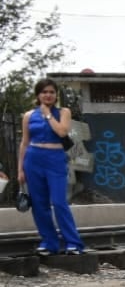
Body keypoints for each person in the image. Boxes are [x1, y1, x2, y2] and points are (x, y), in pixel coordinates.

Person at [16, 78, 85, 256]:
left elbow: (62, 131)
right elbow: (24, 143)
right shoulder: (29, 116)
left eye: (51, 92)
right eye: (44, 92)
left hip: (55, 159)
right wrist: (20, 169)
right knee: (39, 204)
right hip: (33, 159)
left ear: (56, 95)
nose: (48, 95)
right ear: (38, 95)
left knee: (59, 202)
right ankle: (49, 242)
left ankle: (73, 243)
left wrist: (47, 114)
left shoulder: (64, 112)